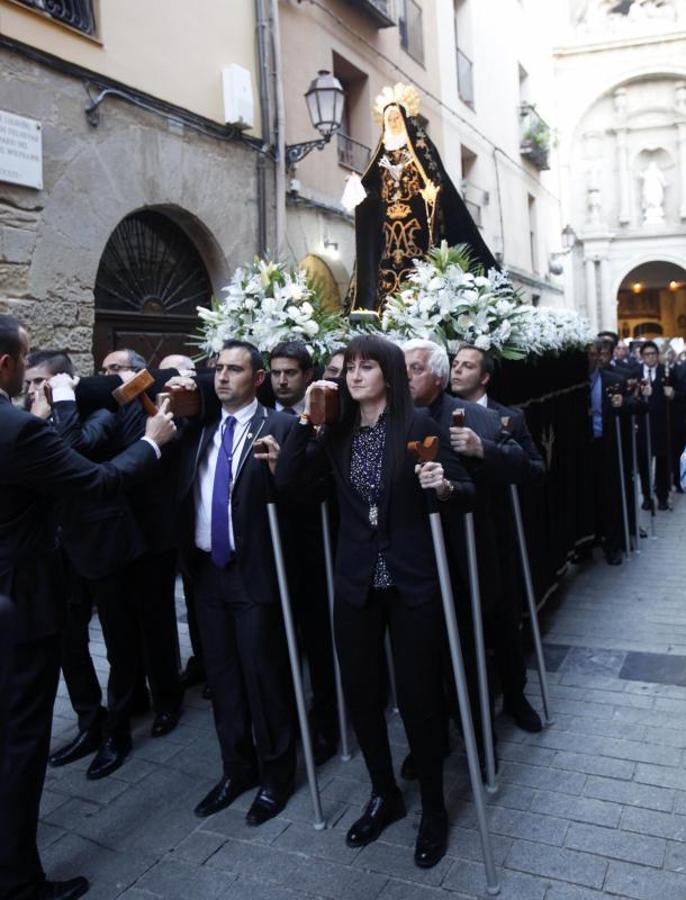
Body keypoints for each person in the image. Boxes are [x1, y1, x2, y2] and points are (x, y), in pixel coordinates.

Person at [277, 334, 475, 869]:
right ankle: (385, 793)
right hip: (356, 583)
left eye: (367, 366)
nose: (355, 375)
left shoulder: (417, 427)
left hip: (412, 582)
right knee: (361, 695)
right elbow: (292, 487)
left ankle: (433, 806)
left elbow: (465, 489)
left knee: (417, 699)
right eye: (349, 368)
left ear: (388, 373)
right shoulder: (335, 432)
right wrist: (305, 425)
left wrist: (443, 484)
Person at [0, 314, 175, 900]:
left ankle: (117, 723)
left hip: (83, 556)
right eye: (26, 367)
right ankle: (17, 877)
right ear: (9, 365)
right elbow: (87, 478)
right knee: (20, 741)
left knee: (122, 640)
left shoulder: (52, 417)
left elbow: (90, 431)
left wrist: (65, 406)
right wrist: (153, 443)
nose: (31, 381)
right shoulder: (20, 429)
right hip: (22, 596)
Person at [176, 340, 299, 824]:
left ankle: (275, 777)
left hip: (255, 572)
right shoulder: (198, 428)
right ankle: (236, 768)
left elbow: (304, 495)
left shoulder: (280, 427)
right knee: (222, 678)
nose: (223, 377)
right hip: (208, 572)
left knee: (262, 675)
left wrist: (282, 468)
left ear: (259, 378)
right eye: (217, 369)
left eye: (234, 369)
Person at [403, 338, 531, 774]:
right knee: (423, 659)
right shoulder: (392, 420)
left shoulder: (478, 417)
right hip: (415, 560)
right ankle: (430, 740)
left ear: (438, 378)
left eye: (415, 369)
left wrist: (482, 450)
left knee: (472, 650)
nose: (405, 377)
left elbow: (528, 469)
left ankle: (482, 742)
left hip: (470, 553)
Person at [449, 344, 545, 732]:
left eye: (467, 366)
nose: (458, 371)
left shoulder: (509, 417)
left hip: (497, 531)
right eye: (454, 364)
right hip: (452, 533)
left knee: (504, 620)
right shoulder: (431, 415)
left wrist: (484, 448)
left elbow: (535, 469)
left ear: (484, 376)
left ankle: (515, 696)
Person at [343, 84, 497, 314]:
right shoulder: (380, 157)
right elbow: (372, 194)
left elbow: (436, 183)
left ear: (405, 120)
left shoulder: (421, 151)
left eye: (396, 117)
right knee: (385, 274)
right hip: (388, 234)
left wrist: (430, 197)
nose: (393, 122)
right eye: (389, 119)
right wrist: (358, 190)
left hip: (418, 231)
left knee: (418, 273)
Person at [637, 340, 679, 510]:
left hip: (661, 425)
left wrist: (673, 394)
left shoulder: (666, 372)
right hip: (642, 425)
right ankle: (647, 496)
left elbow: (679, 394)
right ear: (642, 357)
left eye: (653, 354)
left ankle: (662, 496)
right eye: (647, 354)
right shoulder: (635, 373)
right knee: (643, 463)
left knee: (662, 461)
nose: (651, 357)